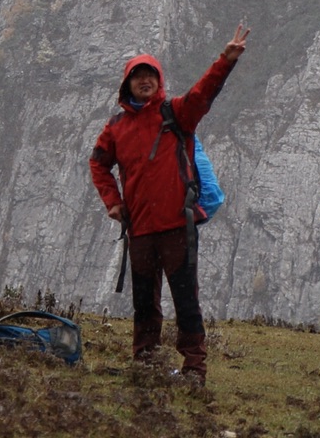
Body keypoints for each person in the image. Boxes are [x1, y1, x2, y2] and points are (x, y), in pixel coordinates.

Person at [89, 25, 249, 385]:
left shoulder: (176, 113)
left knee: (185, 300)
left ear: (158, 80)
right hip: (141, 229)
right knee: (144, 301)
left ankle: (194, 368)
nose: (144, 81)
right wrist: (112, 202)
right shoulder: (115, 128)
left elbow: (203, 93)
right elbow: (98, 163)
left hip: (178, 225)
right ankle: (146, 362)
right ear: (126, 85)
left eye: (150, 75)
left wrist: (225, 61)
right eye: (137, 77)